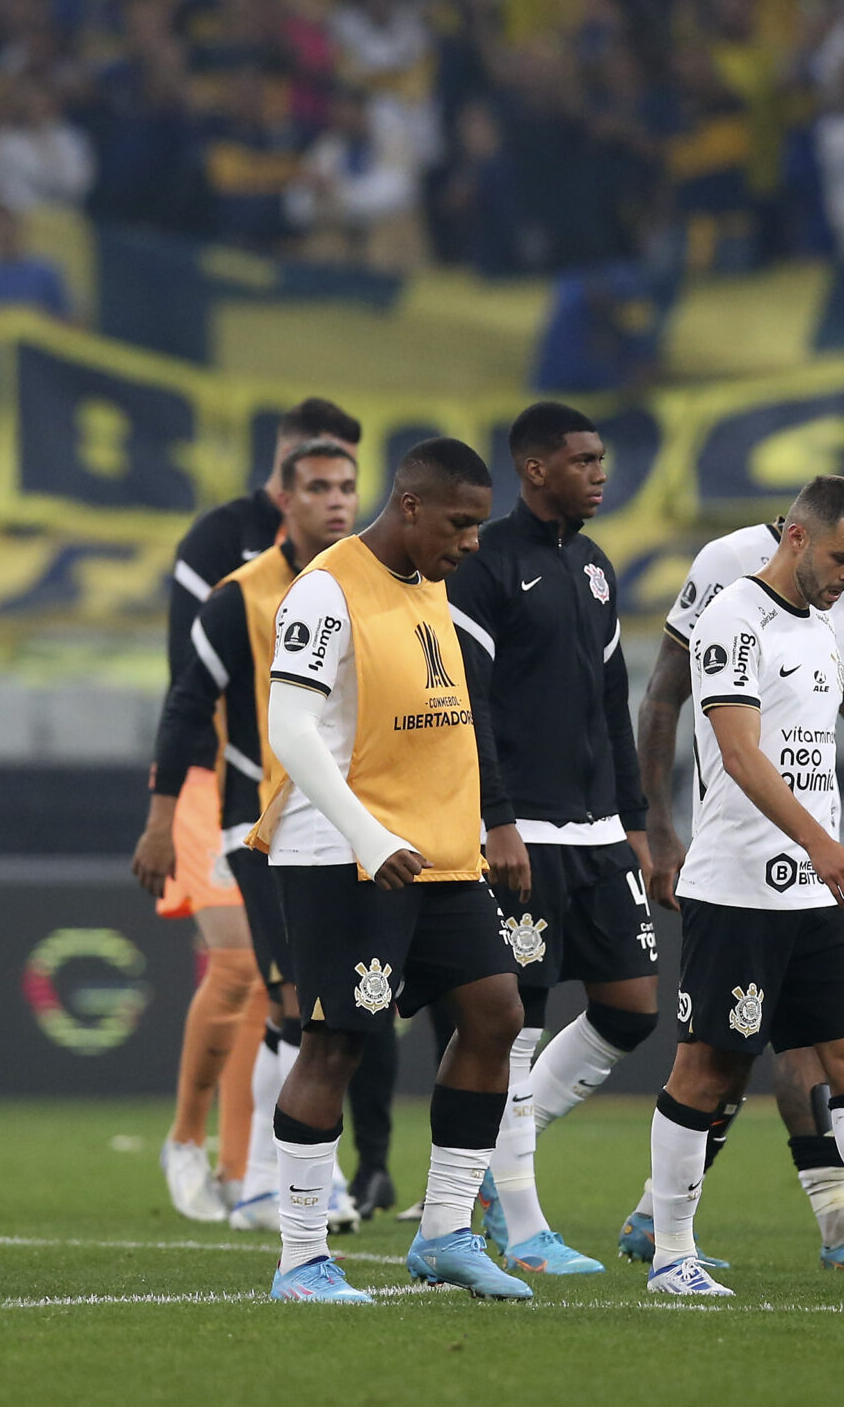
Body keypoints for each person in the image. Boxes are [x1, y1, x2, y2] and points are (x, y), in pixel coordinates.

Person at [630, 470, 844, 1273]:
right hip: (739, 884)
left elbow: (829, 726)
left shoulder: (829, 623)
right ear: (797, 538)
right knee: (707, 1069)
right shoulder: (731, 619)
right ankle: (671, 1251)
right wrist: (821, 843)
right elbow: (741, 754)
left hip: (815, 890)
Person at [254, 437, 532, 1304]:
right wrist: (368, 838)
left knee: (496, 1014)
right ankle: (301, 1257)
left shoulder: (429, 584)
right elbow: (292, 728)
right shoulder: (326, 591)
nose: (473, 541)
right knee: (337, 1041)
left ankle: (446, 1230)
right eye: (461, 522)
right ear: (410, 506)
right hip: (345, 853)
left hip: (439, 853)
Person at [137, 395, 380, 1229]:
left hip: (354, 818)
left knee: (328, 1004)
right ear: (284, 492)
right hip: (256, 817)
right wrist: (166, 813)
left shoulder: (375, 582)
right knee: (282, 995)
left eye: (347, 483)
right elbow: (184, 699)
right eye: (318, 483)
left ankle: (278, 1177)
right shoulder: (235, 586)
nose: (337, 499)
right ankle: (256, 1169)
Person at [439, 402, 650, 1277]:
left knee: (631, 1008)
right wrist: (497, 817)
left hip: (598, 827)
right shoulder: (484, 563)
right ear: (534, 469)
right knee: (516, 1024)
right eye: (584, 459)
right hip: (522, 827)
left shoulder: (595, 568)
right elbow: (470, 705)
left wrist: (636, 820)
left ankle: (493, 1155)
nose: (601, 473)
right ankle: (524, 1227)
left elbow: (613, 701)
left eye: (602, 458)